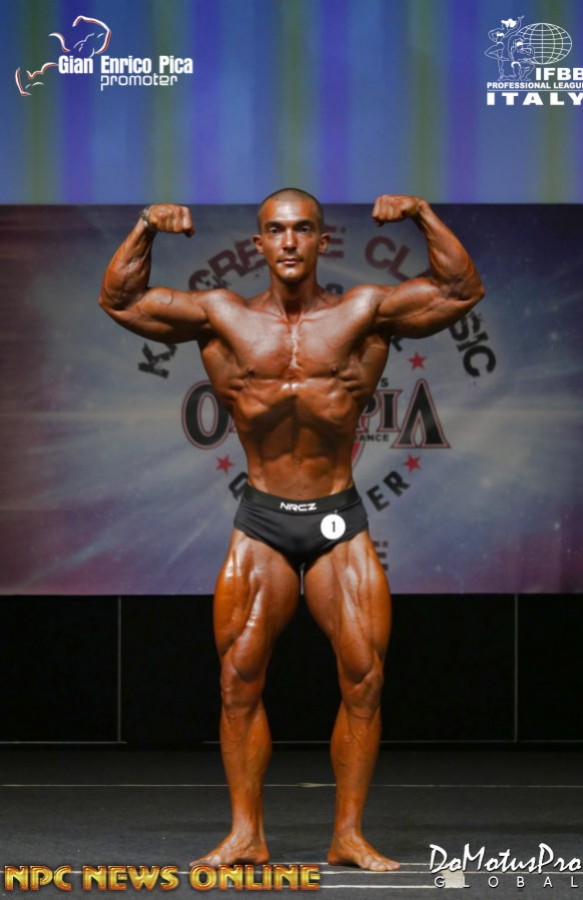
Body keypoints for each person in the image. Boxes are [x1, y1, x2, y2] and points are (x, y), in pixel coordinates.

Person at [99, 189, 484, 871]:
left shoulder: (363, 312)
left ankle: (349, 835)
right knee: (237, 679)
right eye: (276, 230)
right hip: (263, 520)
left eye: (303, 229)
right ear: (259, 243)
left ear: (320, 241)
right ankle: (246, 833)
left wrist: (423, 214)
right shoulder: (222, 317)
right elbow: (121, 301)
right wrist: (145, 226)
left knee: (364, 678)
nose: (288, 241)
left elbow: (460, 291)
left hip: (338, 517)